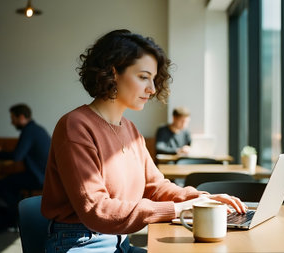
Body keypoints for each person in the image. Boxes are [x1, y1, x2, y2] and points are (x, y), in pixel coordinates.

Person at [41, 29, 246, 253]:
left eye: (154, 78)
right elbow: (97, 210)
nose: (152, 89)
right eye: (143, 77)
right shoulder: (76, 125)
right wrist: (179, 209)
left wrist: (201, 199)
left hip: (120, 242)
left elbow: (156, 187)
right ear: (113, 73)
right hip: (81, 243)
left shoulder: (130, 129)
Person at [0, 103, 51, 228]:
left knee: (1, 185)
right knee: (11, 184)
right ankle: (18, 217)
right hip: (45, 176)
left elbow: (16, 156)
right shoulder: (37, 129)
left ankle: (20, 217)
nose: (12, 123)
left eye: (13, 119)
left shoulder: (29, 131)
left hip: (38, 178)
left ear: (22, 117)